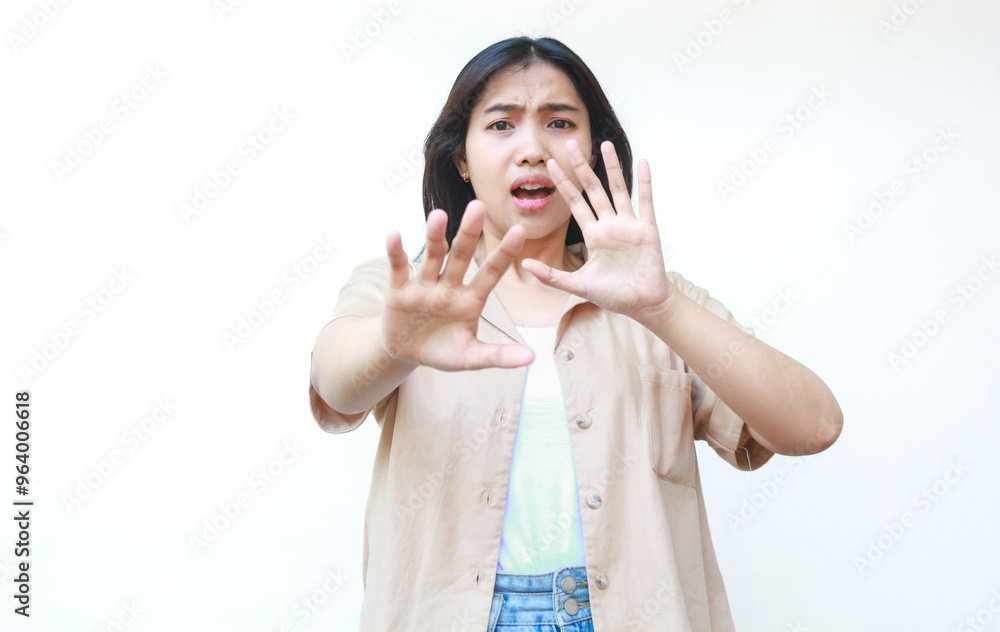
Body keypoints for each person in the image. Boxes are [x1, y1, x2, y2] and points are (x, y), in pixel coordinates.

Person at [308, 36, 843, 632]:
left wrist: (662, 309)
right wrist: (393, 345)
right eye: (502, 124)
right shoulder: (410, 289)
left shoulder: (658, 297)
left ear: (592, 149)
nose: (532, 149)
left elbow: (814, 426)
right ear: (462, 159)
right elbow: (334, 387)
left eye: (559, 122)